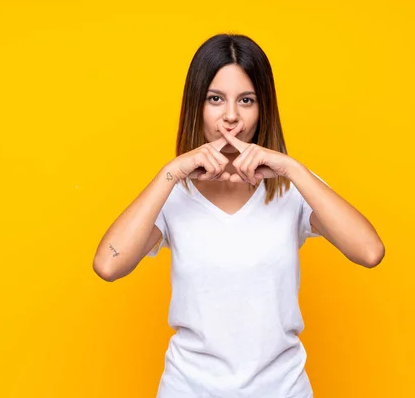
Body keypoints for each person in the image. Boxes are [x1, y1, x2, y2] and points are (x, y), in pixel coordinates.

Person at [93, 33, 385, 398]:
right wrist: (171, 172)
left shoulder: (291, 187)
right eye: (215, 99)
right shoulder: (172, 195)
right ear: (195, 107)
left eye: (246, 100)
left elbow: (370, 252)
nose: (231, 117)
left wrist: (291, 168)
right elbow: (108, 265)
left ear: (263, 109)